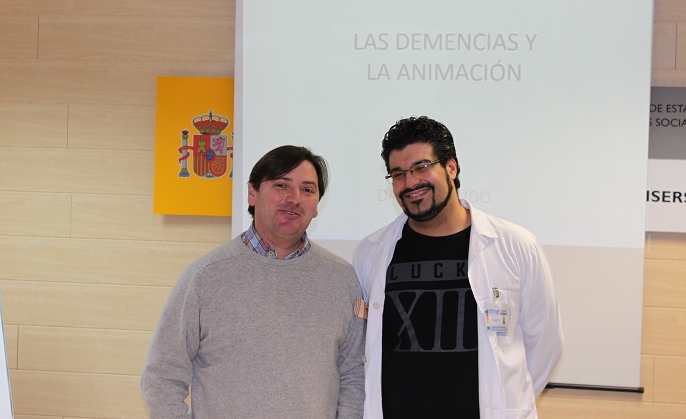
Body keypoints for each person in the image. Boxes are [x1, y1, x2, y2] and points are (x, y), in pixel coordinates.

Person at [353, 117, 563, 419]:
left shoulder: (515, 246)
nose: (410, 183)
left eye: (421, 167)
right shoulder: (371, 252)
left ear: (451, 167)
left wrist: (508, 402)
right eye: (398, 174)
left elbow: (545, 345)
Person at [141, 145, 365, 418]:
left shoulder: (342, 279)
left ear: (316, 205)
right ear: (252, 193)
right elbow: (162, 375)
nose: (295, 198)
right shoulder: (205, 277)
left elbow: (353, 375)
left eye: (307, 190)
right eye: (281, 185)